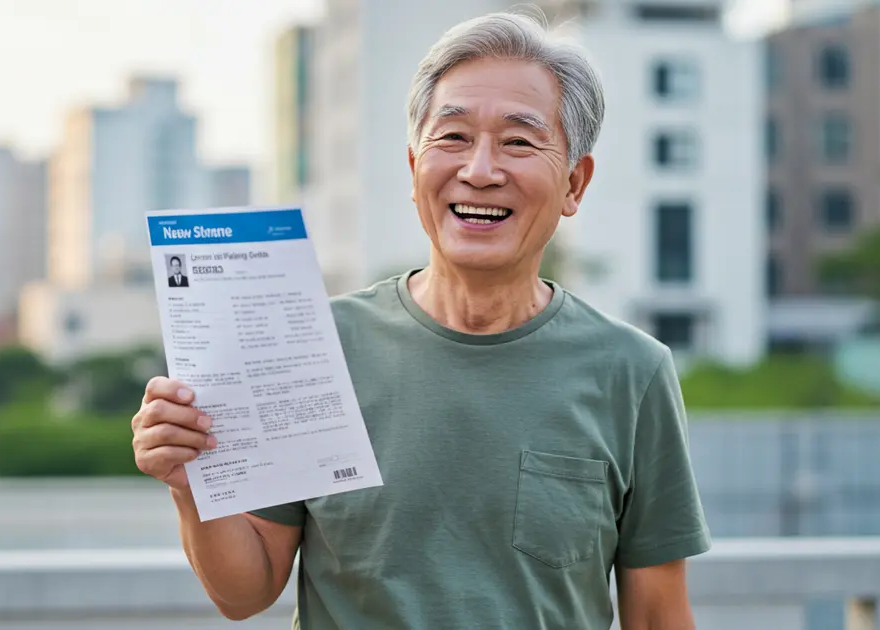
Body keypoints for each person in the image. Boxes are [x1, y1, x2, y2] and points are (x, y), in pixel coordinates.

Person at [131, 11, 711, 629]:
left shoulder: (633, 371)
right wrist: (190, 486)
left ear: (575, 182)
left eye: (518, 141)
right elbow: (245, 592)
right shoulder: (318, 345)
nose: (480, 170)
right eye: (453, 138)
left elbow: (656, 616)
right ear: (414, 170)